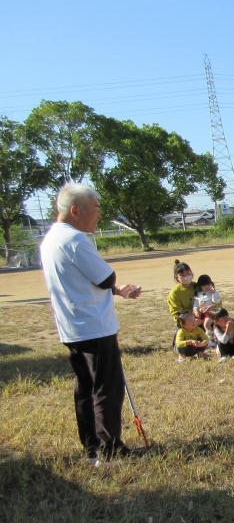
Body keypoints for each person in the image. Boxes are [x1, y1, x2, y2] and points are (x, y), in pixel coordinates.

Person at [39, 183, 142, 464]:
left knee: (85, 388)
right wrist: (115, 285)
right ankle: (109, 450)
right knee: (106, 388)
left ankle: (92, 448)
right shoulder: (75, 240)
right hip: (94, 327)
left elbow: (87, 282)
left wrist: (119, 290)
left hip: (72, 327)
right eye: (96, 208)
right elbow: (104, 277)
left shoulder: (51, 239)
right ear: (75, 210)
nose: (99, 214)